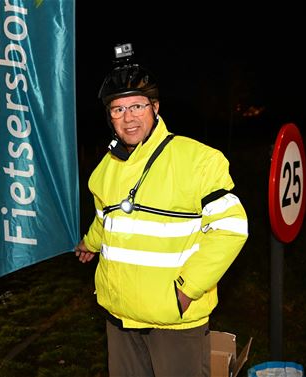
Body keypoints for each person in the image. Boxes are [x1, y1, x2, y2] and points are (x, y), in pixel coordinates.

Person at [75, 43, 248, 376]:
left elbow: (231, 228)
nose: (128, 118)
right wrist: (90, 243)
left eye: (137, 105)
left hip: (173, 321)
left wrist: (185, 290)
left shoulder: (197, 159)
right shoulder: (106, 167)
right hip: (119, 318)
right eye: (117, 109)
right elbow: (107, 218)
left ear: (154, 107)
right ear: (109, 117)